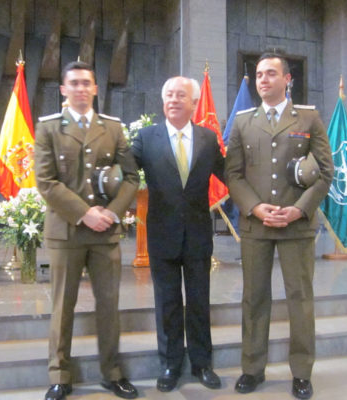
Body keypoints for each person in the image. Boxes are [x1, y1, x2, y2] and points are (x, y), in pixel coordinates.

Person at [225, 50, 334, 399]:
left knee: (299, 298)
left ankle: (302, 372)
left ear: (288, 79)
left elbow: (325, 173)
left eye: (271, 74)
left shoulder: (308, 118)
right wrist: (255, 208)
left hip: (295, 226)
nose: (263, 80)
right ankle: (252, 368)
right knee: (254, 299)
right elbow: (233, 174)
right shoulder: (243, 121)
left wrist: (299, 210)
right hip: (257, 226)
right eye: (258, 75)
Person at [34, 61, 139, 400]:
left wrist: (110, 213)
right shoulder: (49, 128)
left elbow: (131, 177)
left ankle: (112, 372)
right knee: (63, 304)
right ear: (63, 90)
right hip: (66, 231)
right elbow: (46, 182)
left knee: (109, 304)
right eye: (74, 83)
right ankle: (60, 375)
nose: (81, 89)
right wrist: (85, 213)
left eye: (86, 83)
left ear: (96, 89)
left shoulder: (112, 128)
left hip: (105, 231)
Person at [131, 76, 225, 392]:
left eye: (181, 95)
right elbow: (124, 172)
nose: (173, 99)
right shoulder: (146, 138)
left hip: (198, 235)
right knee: (167, 302)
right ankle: (170, 364)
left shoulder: (208, 139)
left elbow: (230, 175)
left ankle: (202, 364)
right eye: (168, 94)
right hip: (161, 235)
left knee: (199, 301)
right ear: (163, 101)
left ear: (193, 103)